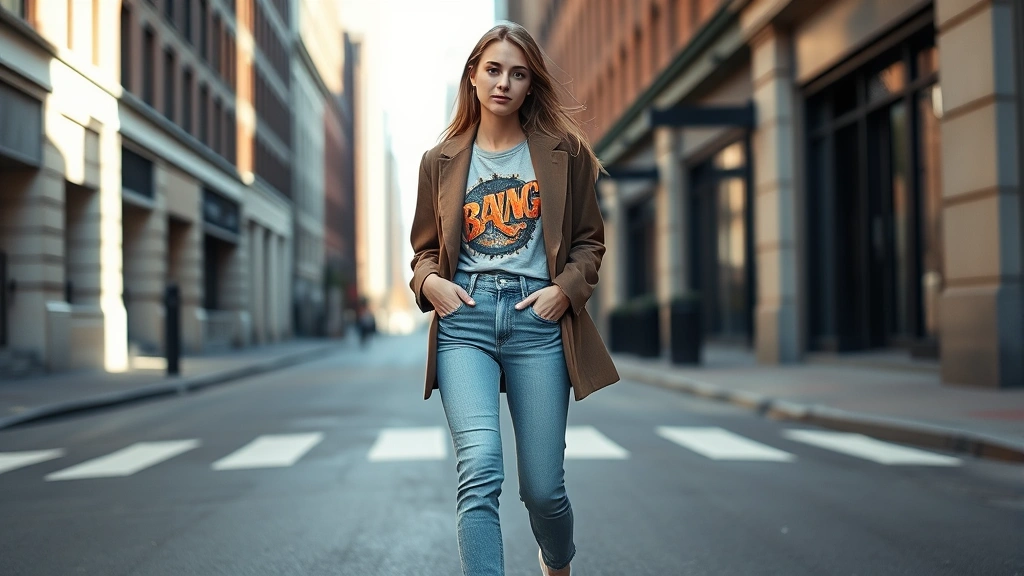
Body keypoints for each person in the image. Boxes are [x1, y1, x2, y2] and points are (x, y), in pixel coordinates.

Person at [409, 22, 620, 576]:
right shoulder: (441, 160)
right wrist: (429, 284)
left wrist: (564, 293)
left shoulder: (564, 153)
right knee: (479, 469)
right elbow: (424, 252)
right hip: (466, 322)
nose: (504, 82)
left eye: (518, 73)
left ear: (531, 85)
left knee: (544, 490)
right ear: (473, 76)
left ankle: (557, 563)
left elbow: (588, 241)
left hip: (538, 322)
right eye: (494, 69)